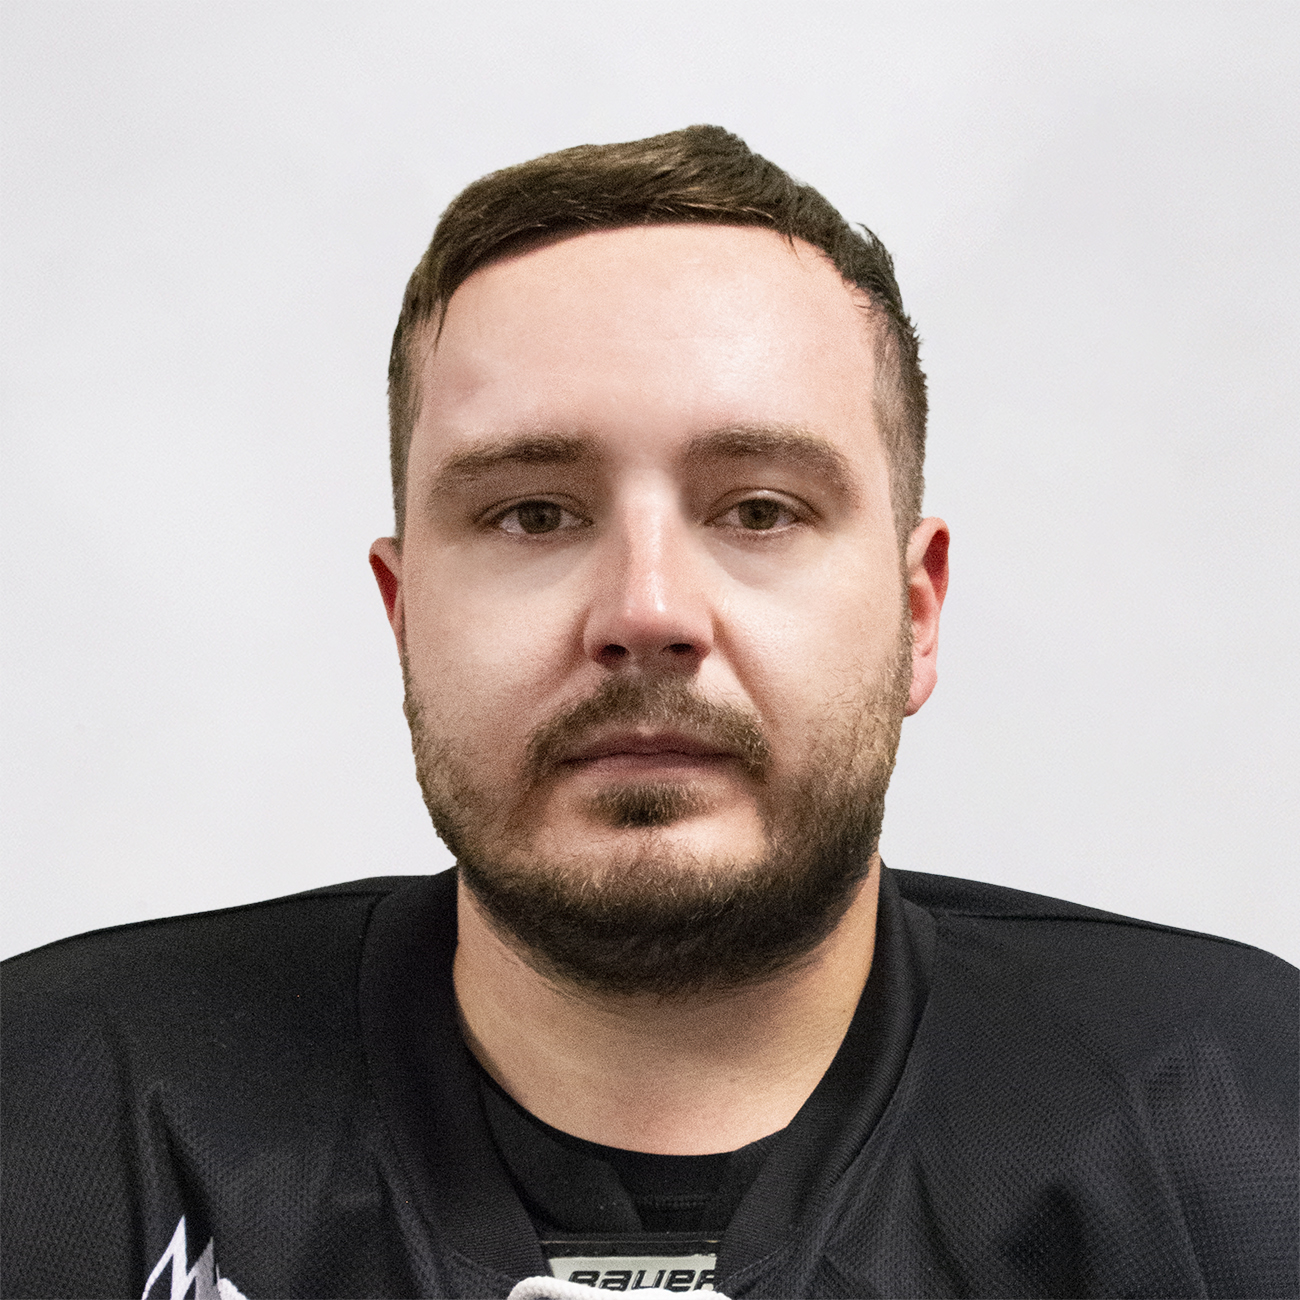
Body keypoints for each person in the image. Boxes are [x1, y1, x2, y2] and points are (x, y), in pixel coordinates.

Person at [1, 126, 1295, 1300]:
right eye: (534, 514)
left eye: (760, 510)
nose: (647, 609)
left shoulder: (1245, 1127)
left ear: (917, 615)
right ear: (404, 616)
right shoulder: (56, 1118)